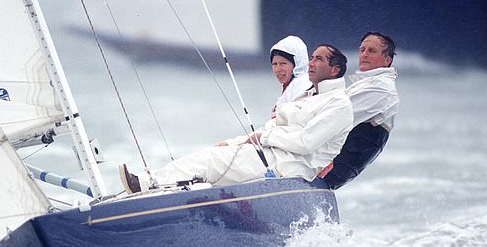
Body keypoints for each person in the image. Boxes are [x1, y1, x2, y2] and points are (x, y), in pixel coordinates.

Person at [120, 44, 353, 194]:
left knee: (211, 161)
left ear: (335, 70)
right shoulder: (309, 94)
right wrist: (236, 142)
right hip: (274, 156)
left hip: (289, 167)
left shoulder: (339, 104)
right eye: (312, 57)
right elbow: (271, 130)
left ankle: (146, 185)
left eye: (320, 59)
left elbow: (305, 143)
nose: (311, 63)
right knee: (214, 158)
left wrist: (266, 137)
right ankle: (155, 188)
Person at [321, 32, 399, 189]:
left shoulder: (382, 87)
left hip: (331, 170)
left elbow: (333, 115)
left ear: (387, 60)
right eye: (362, 50)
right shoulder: (365, 83)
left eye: (371, 51)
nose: (364, 54)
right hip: (325, 165)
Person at [269, 36, 311, 118]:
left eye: (283, 63)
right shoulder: (291, 86)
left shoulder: (304, 86)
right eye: (274, 64)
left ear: (297, 64)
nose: (277, 69)